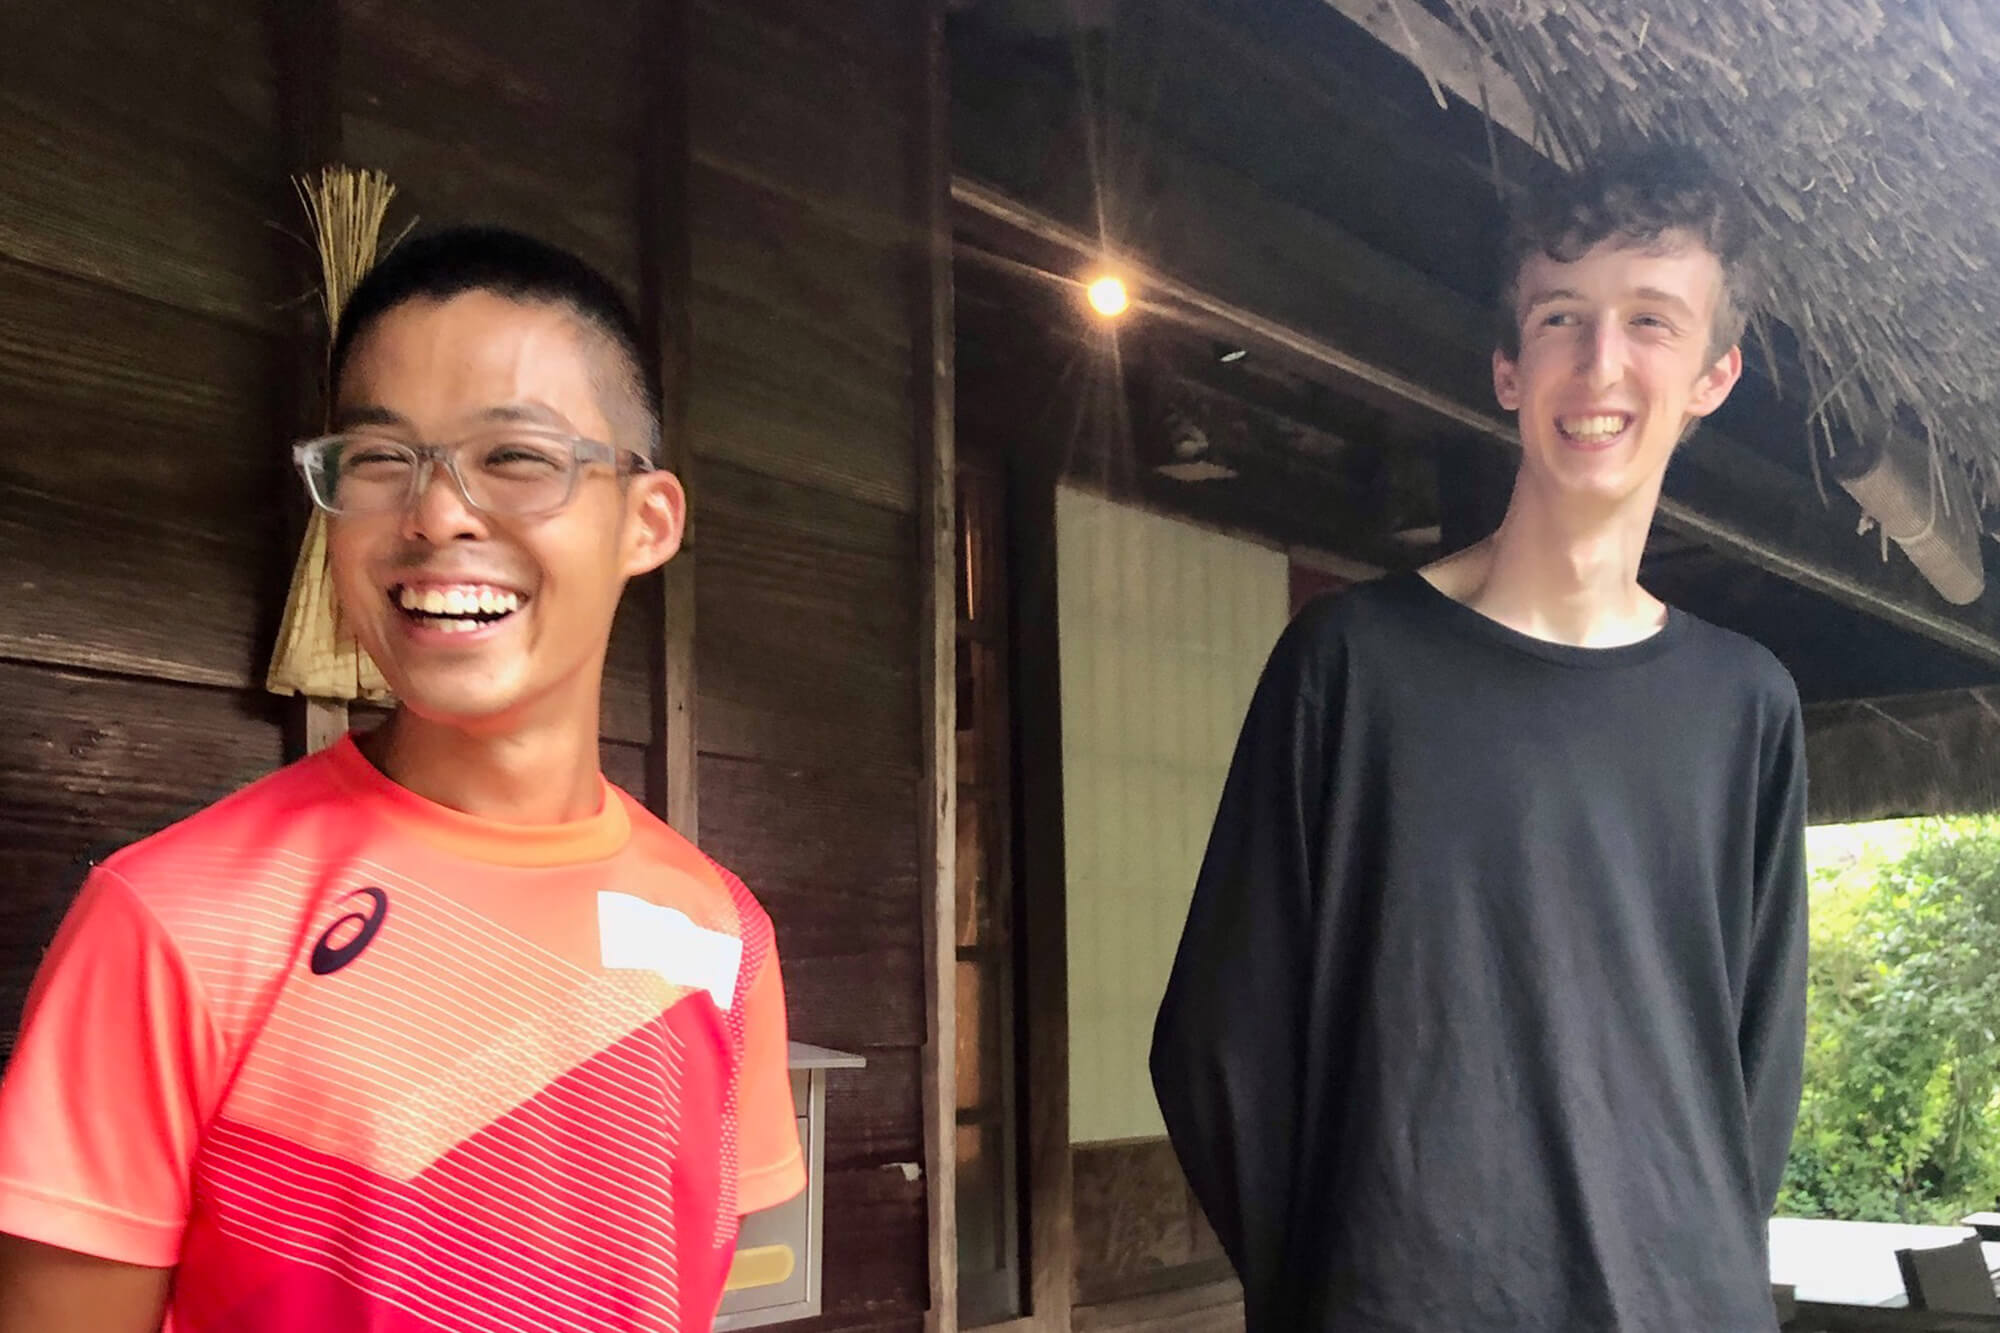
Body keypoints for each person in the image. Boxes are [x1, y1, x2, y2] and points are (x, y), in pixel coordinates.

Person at [0, 227, 805, 1332]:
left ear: (646, 520)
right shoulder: (173, 921)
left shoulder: (722, 934)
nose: (435, 515)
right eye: (380, 461)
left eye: (515, 457)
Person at [1151, 149, 1808, 1332]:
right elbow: (1216, 1048)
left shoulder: (1744, 706)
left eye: (1649, 321)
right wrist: (1345, 1287)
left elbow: (1751, 1082)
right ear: (1508, 368)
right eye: (1560, 317)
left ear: (1713, 374)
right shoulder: (1351, 667)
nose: (1598, 364)